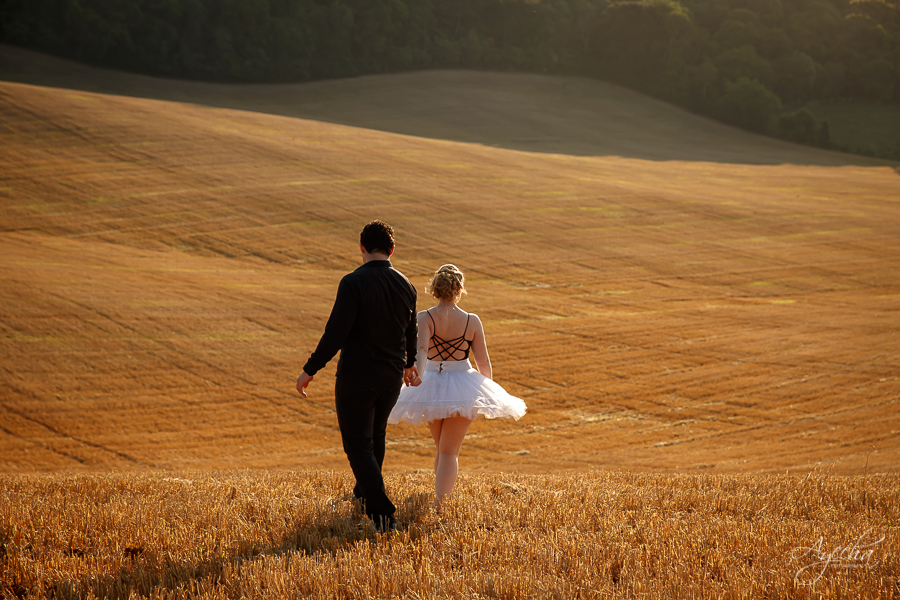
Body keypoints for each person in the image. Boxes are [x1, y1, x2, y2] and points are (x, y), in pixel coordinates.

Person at [296, 220, 420, 533]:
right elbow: (411, 329)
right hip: (391, 378)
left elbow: (336, 333)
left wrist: (310, 368)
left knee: (358, 445)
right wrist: (409, 362)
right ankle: (362, 496)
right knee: (376, 438)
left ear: (361, 247)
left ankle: (383, 516)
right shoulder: (407, 285)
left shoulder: (353, 283)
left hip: (357, 376)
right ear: (392, 250)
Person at [389, 264, 526, 510]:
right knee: (448, 450)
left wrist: (418, 375)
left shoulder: (425, 317)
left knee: (443, 448)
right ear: (460, 288)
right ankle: (441, 505)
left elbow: (420, 351)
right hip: (463, 383)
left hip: (431, 383)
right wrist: (487, 392)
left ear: (434, 288)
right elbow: (483, 362)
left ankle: (440, 501)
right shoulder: (472, 321)